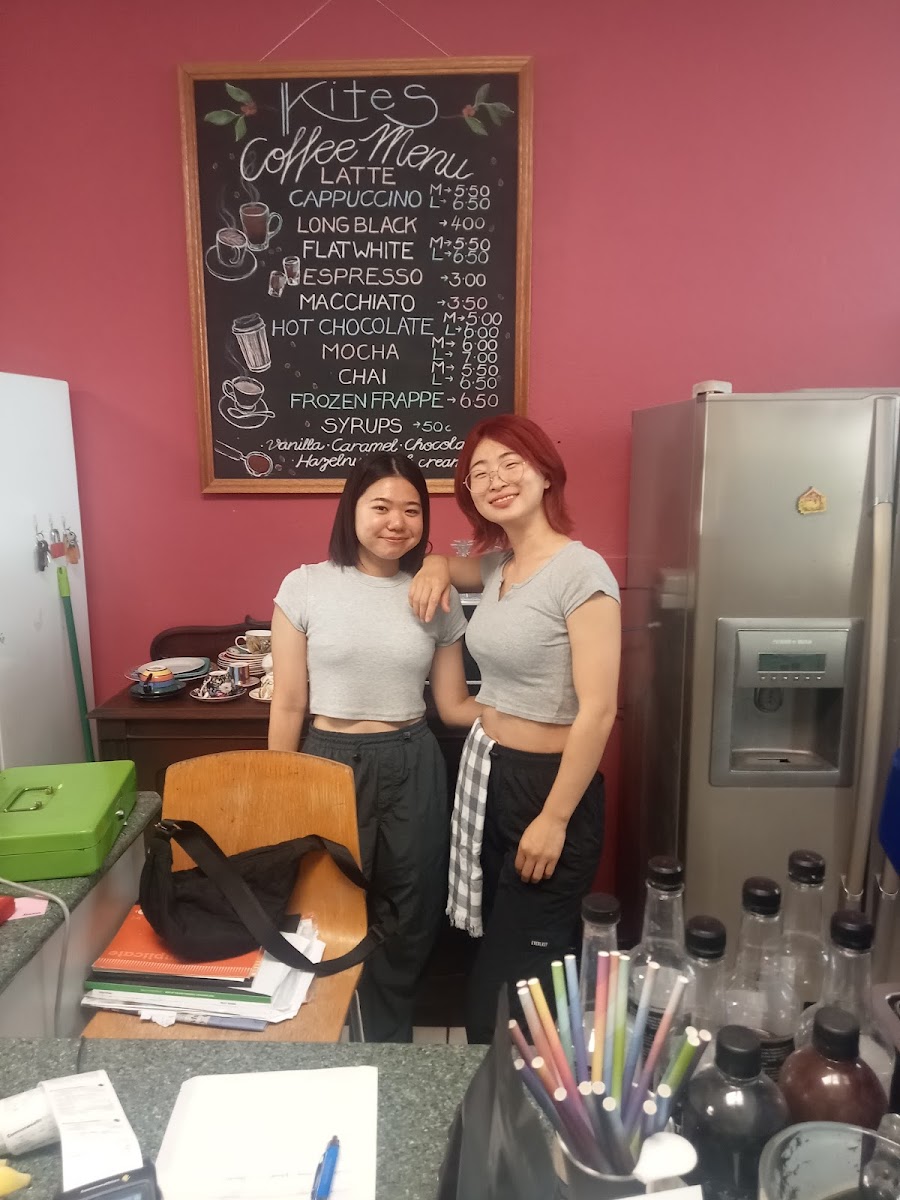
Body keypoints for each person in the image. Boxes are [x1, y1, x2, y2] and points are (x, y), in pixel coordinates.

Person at [409, 415, 621, 1043]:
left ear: (545, 472)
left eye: (510, 463)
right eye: (479, 473)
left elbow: (598, 710)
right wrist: (433, 565)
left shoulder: (581, 572)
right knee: (501, 958)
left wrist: (553, 819)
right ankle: (503, 1088)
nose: (495, 480)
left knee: (517, 982)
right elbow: (449, 564)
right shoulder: (500, 566)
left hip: (549, 788)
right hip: (492, 777)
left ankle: (525, 1094)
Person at [268, 452, 480, 1042]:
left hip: (412, 761)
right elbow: (288, 702)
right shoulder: (305, 586)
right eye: (381, 507)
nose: (396, 522)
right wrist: (277, 790)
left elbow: (453, 705)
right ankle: (326, 1036)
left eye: (412, 510)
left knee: (410, 912)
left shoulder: (433, 594)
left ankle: (389, 1041)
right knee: (325, 907)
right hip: (328, 761)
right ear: (351, 510)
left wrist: (541, 714)